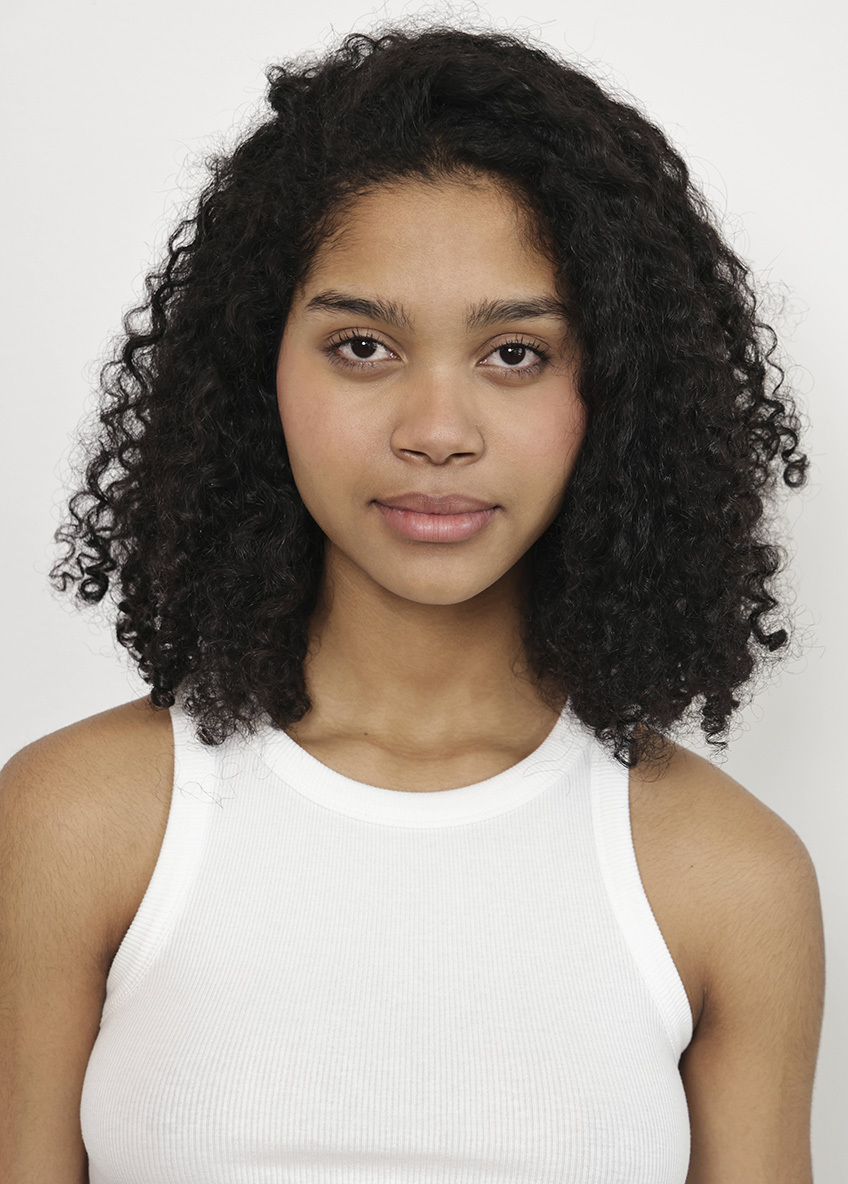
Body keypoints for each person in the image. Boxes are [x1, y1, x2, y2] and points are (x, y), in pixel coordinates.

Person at [0, 20, 825, 1184]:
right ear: (257, 369)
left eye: (514, 354)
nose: (435, 431)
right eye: (361, 345)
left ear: (616, 391)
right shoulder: (78, 820)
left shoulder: (727, 876)